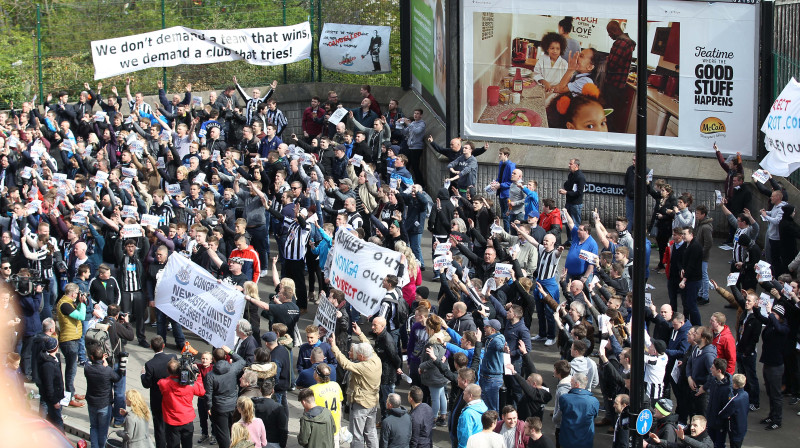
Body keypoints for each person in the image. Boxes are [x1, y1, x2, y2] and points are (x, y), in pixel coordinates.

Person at [328, 330, 381, 448]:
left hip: (361, 403)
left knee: (356, 434)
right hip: (372, 403)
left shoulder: (363, 367)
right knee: (370, 431)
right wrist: (360, 334)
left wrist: (334, 347)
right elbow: (369, 346)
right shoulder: (375, 359)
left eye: (355, 352)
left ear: (361, 356)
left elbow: (345, 364)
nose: (352, 353)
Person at [158, 357, 206, 448]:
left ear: (168, 371)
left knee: (172, 444)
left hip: (171, 421)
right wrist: (198, 376)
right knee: (187, 445)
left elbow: (162, 382)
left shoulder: (164, 383)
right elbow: (202, 392)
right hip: (187, 419)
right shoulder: (190, 385)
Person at [206, 345, 248, 448]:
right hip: (233, 405)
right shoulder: (232, 368)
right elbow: (242, 361)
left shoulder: (210, 375)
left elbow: (208, 393)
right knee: (234, 430)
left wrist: (208, 406)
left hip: (219, 407)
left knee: (222, 433)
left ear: (213, 359)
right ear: (225, 357)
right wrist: (231, 351)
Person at [54, 283, 87, 408]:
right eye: (77, 293)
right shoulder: (65, 305)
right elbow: (81, 316)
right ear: (73, 293)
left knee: (71, 369)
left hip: (72, 338)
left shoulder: (66, 301)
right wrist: (82, 303)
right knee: (71, 370)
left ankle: (71, 392)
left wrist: (79, 303)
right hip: (69, 340)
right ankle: (69, 397)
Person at [141, 336, 177, 448]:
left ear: (151, 346)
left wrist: (143, 374)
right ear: (163, 345)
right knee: (171, 424)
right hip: (171, 397)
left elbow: (146, 384)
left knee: (159, 426)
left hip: (157, 399)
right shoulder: (172, 357)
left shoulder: (150, 364)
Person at [84, 345, 122, 448]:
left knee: (94, 426)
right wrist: (105, 364)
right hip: (104, 404)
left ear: (92, 357)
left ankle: (94, 446)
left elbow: (87, 362)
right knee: (103, 429)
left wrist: (100, 360)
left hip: (92, 403)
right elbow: (117, 378)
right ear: (102, 357)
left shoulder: (88, 369)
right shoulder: (107, 371)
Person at [604, 20, 636, 133]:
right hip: (619, 85)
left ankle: (607, 133)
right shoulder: (627, 43)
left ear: (614, 30)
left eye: (609, 32)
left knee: (608, 111)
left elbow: (612, 65)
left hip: (613, 84)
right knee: (613, 111)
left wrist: (606, 62)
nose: (609, 35)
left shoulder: (620, 43)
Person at [557, 373, 599, 448]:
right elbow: (595, 416)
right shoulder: (594, 401)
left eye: (571, 382)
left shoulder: (565, 398)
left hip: (567, 440)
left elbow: (561, 413)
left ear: (576, 384)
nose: (570, 384)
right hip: (586, 441)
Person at [308, 363, 343, 445]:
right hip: (335, 426)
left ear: (317, 375)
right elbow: (340, 406)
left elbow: (309, 412)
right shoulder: (336, 385)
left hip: (321, 428)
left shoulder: (312, 390)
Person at [38, 336, 65, 431]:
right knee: (58, 421)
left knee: (52, 419)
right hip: (53, 399)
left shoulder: (53, 359)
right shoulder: (48, 365)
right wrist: (54, 401)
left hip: (56, 397)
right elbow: (49, 385)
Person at [478, 319, 506, 412]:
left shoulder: (496, 340)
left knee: (491, 408)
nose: (484, 328)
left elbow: (500, 347)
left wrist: (504, 349)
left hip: (491, 379)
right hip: (488, 377)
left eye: (487, 327)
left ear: (493, 330)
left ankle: (494, 426)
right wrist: (484, 317)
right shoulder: (492, 338)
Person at [252, 380, 288, 448]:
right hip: (273, 441)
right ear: (273, 391)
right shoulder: (278, 407)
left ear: (260, 390)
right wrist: (283, 444)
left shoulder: (253, 405)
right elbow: (283, 428)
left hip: (256, 440)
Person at [717, 373, 749, 448]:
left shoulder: (735, 400)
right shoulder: (746, 394)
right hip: (743, 426)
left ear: (735, 385)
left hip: (734, 429)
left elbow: (723, 413)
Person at [648, 415, 713, 448]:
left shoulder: (708, 442)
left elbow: (701, 446)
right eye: (691, 425)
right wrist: (660, 441)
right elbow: (677, 446)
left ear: (703, 428)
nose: (692, 428)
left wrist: (684, 438)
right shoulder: (692, 438)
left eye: (695, 425)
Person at [458, 384, 489, 448]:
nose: (463, 392)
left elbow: (465, 436)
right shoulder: (483, 407)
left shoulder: (467, 414)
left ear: (470, 395)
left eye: (465, 391)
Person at [558, 158, 585, 229]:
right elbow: (568, 186)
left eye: (571, 164)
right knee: (567, 222)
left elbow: (579, 192)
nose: (569, 165)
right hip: (569, 202)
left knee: (575, 223)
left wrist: (566, 192)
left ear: (576, 165)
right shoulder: (571, 175)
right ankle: (570, 239)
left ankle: (575, 239)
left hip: (576, 204)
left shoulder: (580, 177)